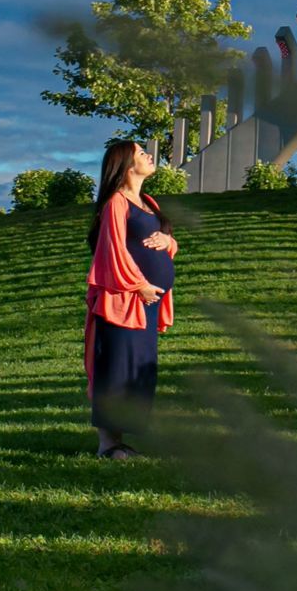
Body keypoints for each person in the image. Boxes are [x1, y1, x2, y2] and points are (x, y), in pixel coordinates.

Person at [83, 138, 178, 459]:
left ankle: (119, 442)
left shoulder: (148, 202)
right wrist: (139, 285)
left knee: (138, 368)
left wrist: (168, 240)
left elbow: (159, 244)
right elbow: (111, 251)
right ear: (125, 165)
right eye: (141, 153)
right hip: (123, 301)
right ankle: (107, 446)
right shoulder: (116, 203)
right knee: (116, 366)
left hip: (147, 303)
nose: (149, 155)